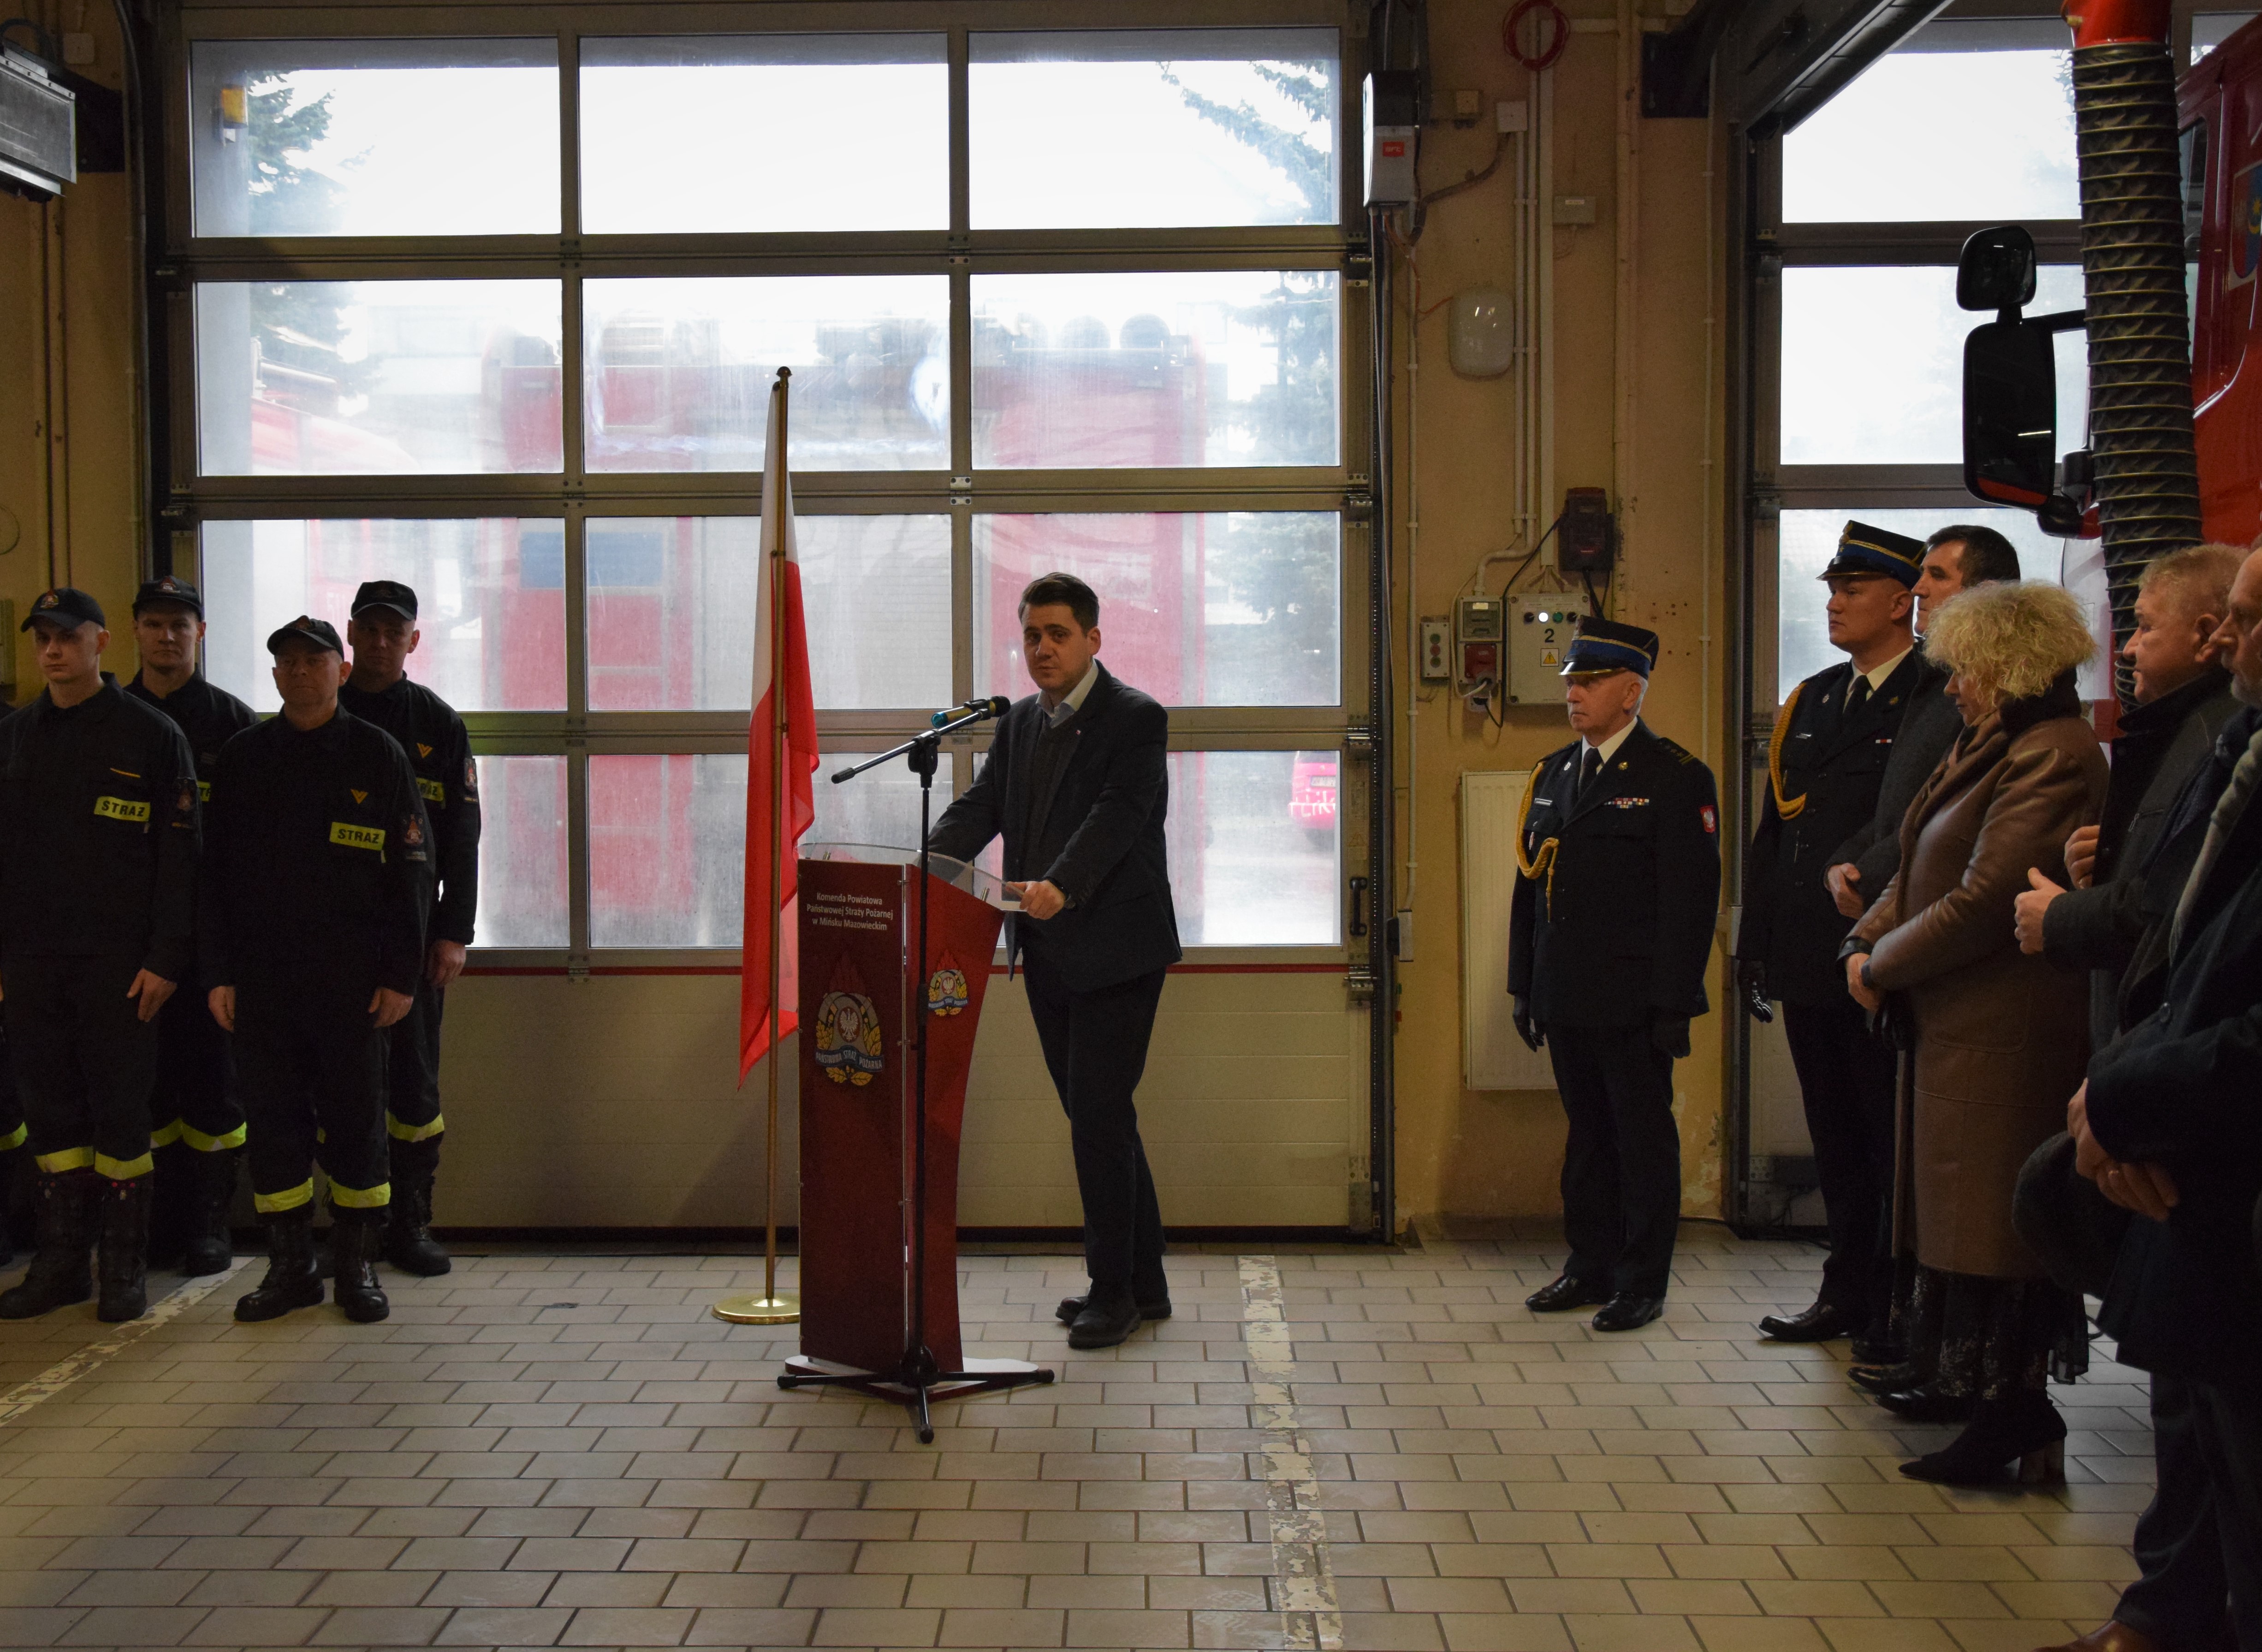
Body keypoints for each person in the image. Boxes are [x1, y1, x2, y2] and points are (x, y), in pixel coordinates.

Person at [2032, 547, 2262, 1652]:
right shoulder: (2228, 740)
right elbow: (2186, 939)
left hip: (2215, 1136)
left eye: (2241, 622)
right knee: (2202, 1428)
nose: (2224, 642)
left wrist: (2126, 1092)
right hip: (2182, 1125)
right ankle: (2170, 1611)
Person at [1842, 581, 2106, 1484]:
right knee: (1964, 1227)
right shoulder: (1993, 741)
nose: (1951, 686)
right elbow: (1917, 859)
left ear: (2006, 665)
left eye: (1962, 669)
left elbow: (1986, 898)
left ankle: (2013, 1413)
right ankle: (1985, 1400)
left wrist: (1881, 965)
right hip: (1956, 1025)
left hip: (2007, 1033)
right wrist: (1862, 938)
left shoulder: (2053, 754)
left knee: (1998, 1235)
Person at [927, 572, 1181, 1351]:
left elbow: (1118, 816)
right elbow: (984, 806)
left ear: (1093, 639)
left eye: (1058, 634)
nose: (1042, 648)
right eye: (1032, 635)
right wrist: (925, 861)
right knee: (1099, 1116)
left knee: (1098, 1117)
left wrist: (1062, 883)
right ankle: (1145, 1280)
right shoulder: (1019, 724)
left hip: (1117, 949)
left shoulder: (1135, 717)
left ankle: (1114, 1293)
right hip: (1044, 949)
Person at [2010, 545, 2241, 1299]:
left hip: (2181, 1069)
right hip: (2154, 1063)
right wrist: (2104, 864)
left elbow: (2173, 917)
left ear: (2206, 635)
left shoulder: (2214, 736)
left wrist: (2063, 915)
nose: (2129, 647)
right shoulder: (2189, 729)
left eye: (2143, 627)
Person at [202, 616, 431, 1325]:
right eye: (289, 662)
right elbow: (212, 876)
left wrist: (401, 974)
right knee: (274, 1126)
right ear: (275, 675)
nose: (301, 671)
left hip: (351, 984)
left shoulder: (377, 754)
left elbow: (412, 873)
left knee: (357, 1123)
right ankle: (291, 1268)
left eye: (315, 659)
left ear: (341, 669)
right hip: (263, 983)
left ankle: (356, 1266)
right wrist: (218, 971)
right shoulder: (244, 757)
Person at [1736, 522, 1928, 1357]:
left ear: (1901, 601)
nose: (1835, 603)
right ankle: (1844, 1289)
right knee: (1835, 1137)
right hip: (1810, 951)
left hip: (1879, 948)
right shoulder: (1813, 698)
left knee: (1885, 1138)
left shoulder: (1928, 695)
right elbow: (1778, 834)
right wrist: (1755, 942)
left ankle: (1893, 1301)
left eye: (1852, 590)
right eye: (1832, 589)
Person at [1508, 616, 1722, 1333]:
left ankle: (1641, 1280)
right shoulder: (1554, 773)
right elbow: (1529, 890)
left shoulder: (1675, 775)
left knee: (1641, 1141)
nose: (1573, 692)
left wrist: (1673, 1004)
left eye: (1591, 681)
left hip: (1633, 1001)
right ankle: (1588, 1265)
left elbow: (1689, 904)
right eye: (1571, 680)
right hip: (1565, 991)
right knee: (1587, 1139)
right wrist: (1523, 983)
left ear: (1631, 693)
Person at [0, 588, 199, 1323]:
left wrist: (167, 957)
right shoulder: (15, 736)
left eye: (68, 636)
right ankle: (62, 1263)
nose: (53, 650)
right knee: (50, 1116)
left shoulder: (150, 734)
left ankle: (122, 1267)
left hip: (120, 967)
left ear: (102, 642)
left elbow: (181, 858)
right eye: (43, 639)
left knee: (120, 1115)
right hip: (32, 962)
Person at [338, 580, 479, 1277]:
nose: (380, 642)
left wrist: (454, 931)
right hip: (335, 939)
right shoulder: (321, 714)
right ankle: (352, 1231)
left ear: (414, 640)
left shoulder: (438, 723)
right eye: (369, 629)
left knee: (414, 1086)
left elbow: (464, 835)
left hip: (417, 940)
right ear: (350, 634)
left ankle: (410, 1224)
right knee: (340, 1084)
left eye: (394, 632)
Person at [124, 575, 259, 1276]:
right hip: (134, 940)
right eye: (154, 623)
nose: (167, 636)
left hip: (212, 942)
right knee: (144, 1085)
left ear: (200, 633)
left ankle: (208, 1224)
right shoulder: (113, 721)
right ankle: (159, 1223)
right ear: (134, 632)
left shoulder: (235, 724)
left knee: (212, 1083)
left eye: (180, 624)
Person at [1825, 525, 2023, 926]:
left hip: (1938, 917)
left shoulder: (1998, 691)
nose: (1918, 589)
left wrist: (1866, 878)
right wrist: (1843, 861)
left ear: (1984, 593)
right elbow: (1901, 805)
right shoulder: (1933, 679)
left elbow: (1945, 820)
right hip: (1897, 904)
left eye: (1938, 575)